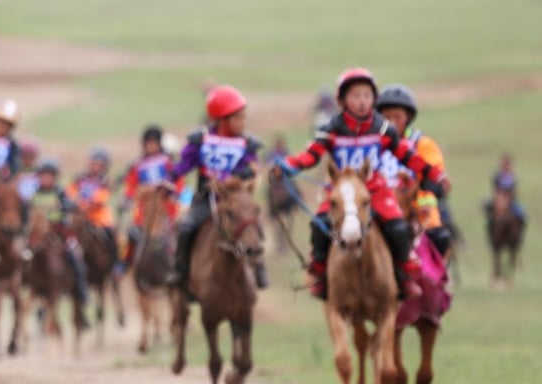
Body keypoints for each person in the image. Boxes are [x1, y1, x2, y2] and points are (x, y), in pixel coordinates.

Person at [273, 68, 449, 300]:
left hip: (373, 188)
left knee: (397, 226)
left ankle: (405, 272)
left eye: (367, 96)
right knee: (319, 224)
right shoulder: (331, 129)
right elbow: (312, 154)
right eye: (356, 96)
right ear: (343, 100)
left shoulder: (383, 128)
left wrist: (432, 173)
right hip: (341, 189)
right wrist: (290, 164)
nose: (362, 102)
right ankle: (318, 270)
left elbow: (406, 155)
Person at [168, 84, 268, 289]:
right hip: (206, 196)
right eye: (238, 117)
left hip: (235, 197)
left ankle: (258, 267)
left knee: (254, 224)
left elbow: (251, 168)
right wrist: (171, 176)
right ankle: (181, 270)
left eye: (243, 117)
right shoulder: (200, 140)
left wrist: (233, 178)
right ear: (223, 119)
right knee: (186, 227)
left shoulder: (247, 143)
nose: (243, 122)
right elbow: (186, 164)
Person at [375, 84, 454, 256]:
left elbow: (434, 177)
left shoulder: (423, 144)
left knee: (440, 238)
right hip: (377, 207)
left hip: (417, 211)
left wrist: (424, 197)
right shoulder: (371, 145)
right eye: (387, 117)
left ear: (408, 118)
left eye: (398, 117)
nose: (392, 122)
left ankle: (433, 280)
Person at [28, 159, 90, 313]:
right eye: (43, 176)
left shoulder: (60, 193)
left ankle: (81, 291)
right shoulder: (34, 195)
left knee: (75, 255)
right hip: (38, 235)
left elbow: (70, 207)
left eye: (49, 176)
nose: (46, 179)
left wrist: (63, 213)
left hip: (58, 233)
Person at [121, 125, 181, 266]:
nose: (151, 146)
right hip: (144, 209)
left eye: (154, 143)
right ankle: (125, 263)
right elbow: (130, 186)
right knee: (130, 233)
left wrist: (172, 191)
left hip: (165, 207)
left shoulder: (168, 162)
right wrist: (128, 197)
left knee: (174, 234)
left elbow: (178, 182)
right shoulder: (137, 165)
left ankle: (178, 264)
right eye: (149, 143)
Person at [66, 147, 121, 274]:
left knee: (112, 233)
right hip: (79, 216)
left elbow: (103, 197)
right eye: (93, 163)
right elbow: (70, 192)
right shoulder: (80, 178)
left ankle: (116, 263)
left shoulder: (105, 181)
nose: (95, 167)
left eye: (98, 165)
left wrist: (88, 203)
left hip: (98, 216)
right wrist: (75, 202)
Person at [486, 152, 527, 224]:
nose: (506, 166)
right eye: (504, 164)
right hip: (498, 197)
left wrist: (510, 196)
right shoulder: (497, 175)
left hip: (510, 198)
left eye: (507, 164)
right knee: (487, 207)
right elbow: (495, 186)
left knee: (521, 213)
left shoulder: (511, 176)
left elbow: (513, 188)